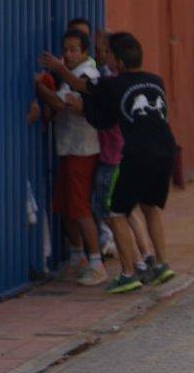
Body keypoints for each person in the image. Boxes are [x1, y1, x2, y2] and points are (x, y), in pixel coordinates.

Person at [74, 32, 178, 293]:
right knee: (150, 206)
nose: (104, 56)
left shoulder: (114, 84)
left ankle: (128, 272)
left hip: (137, 153)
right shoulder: (156, 81)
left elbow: (83, 87)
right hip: (166, 149)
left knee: (117, 211)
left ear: (118, 61)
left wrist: (57, 69)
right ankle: (163, 264)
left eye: (107, 53)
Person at [36, 30, 106, 286]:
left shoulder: (88, 74)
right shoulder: (71, 75)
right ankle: (77, 258)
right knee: (66, 207)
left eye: (74, 49)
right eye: (65, 49)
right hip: (68, 149)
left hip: (82, 151)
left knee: (80, 208)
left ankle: (96, 262)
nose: (67, 54)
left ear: (85, 52)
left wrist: (39, 86)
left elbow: (63, 104)